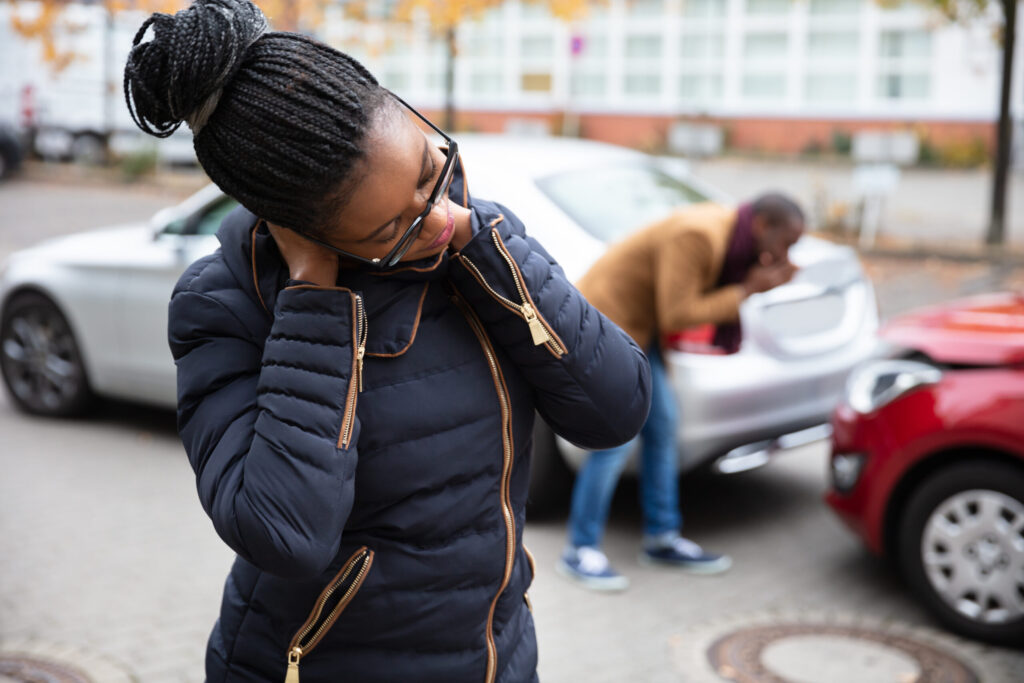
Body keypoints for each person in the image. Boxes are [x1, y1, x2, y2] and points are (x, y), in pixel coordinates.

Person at [123, 1, 651, 680]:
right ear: (301, 227)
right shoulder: (225, 303)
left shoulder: (475, 244)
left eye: (432, 172)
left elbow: (615, 410)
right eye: (392, 227)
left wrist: (487, 247)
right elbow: (285, 534)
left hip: (499, 660)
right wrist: (313, 297)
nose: (437, 219)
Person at [558, 195, 805, 591]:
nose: (787, 253)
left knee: (663, 425)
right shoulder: (699, 236)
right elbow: (678, 312)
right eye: (787, 242)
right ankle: (580, 548)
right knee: (618, 437)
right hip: (606, 321)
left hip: (641, 328)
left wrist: (753, 283)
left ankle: (661, 538)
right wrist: (748, 290)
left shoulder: (732, 238)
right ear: (761, 226)